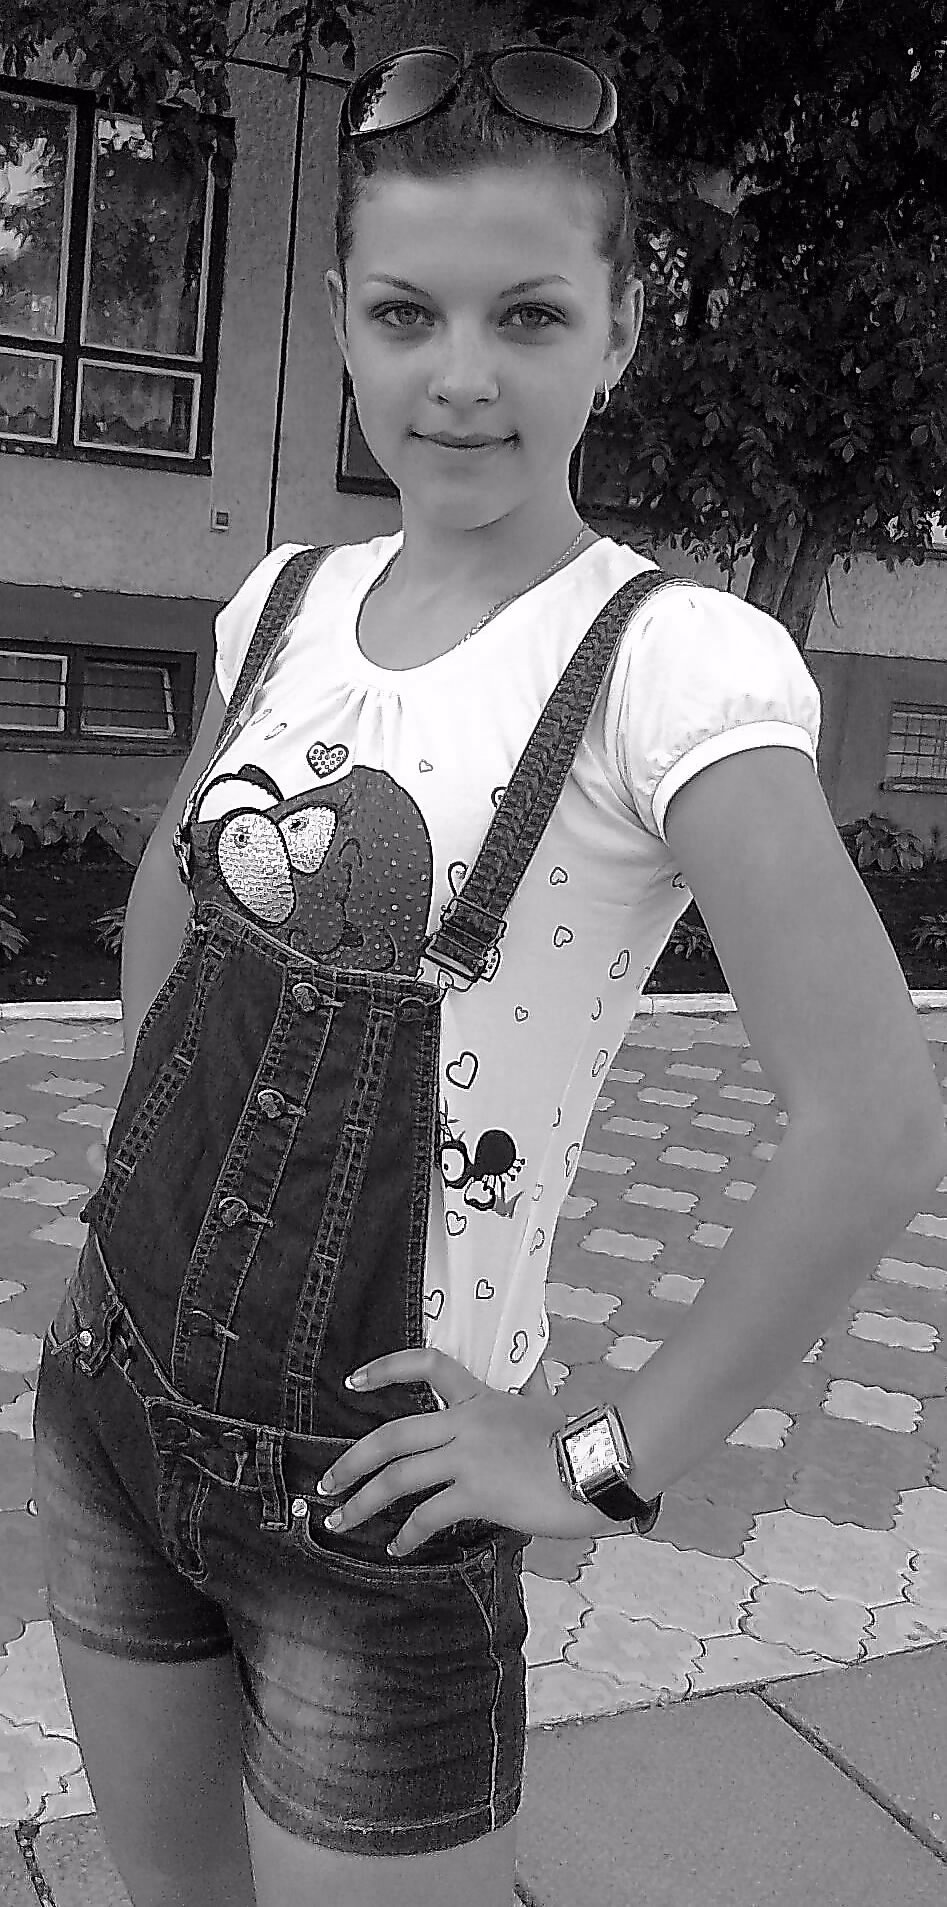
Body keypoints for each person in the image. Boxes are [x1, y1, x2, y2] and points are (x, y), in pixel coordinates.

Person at [31, 41, 945, 1907]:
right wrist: (149, 1190)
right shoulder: (279, 603)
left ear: (622, 332)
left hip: (381, 1500)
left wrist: (606, 1460)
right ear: (343, 325)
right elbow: (173, 903)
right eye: (405, 312)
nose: (460, 375)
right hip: (110, 1393)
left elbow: (873, 1124)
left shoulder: (673, 668)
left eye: (529, 315)